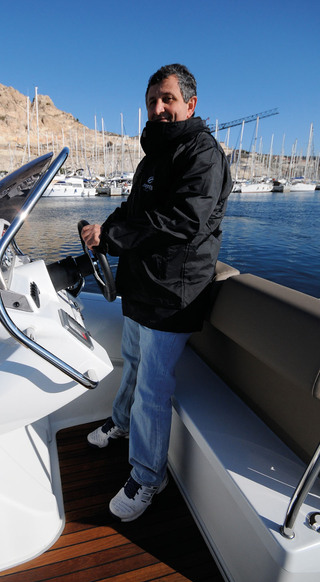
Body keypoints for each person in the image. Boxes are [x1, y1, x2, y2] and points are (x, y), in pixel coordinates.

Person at [81, 63, 233, 522]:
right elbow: (135, 208)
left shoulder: (202, 154)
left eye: (167, 98)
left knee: (153, 386)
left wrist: (113, 238)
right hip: (143, 286)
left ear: (190, 103)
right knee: (133, 363)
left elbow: (184, 221)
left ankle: (148, 477)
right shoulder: (155, 154)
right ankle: (123, 424)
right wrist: (106, 226)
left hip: (175, 294)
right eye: (152, 101)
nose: (158, 107)